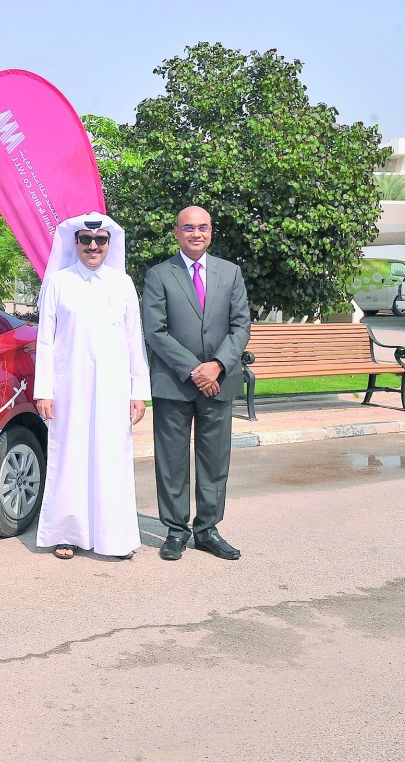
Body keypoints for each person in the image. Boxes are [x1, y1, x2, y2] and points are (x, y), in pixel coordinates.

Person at [33, 212, 150, 560]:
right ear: (76, 243)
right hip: (68, 388)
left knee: (111, 459)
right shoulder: (58, 283)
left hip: (114, 391)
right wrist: (44, 391)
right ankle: (67, 534)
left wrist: (138, 391)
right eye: (86, 240)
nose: (93, 246)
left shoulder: (123, 284)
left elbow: (134, 341)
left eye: (100, 240)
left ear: (109, 244)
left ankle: (115, 538)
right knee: (70, 458)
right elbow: (44, 342)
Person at [141, 205, 251, 561]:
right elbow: (155, 331)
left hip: (219, 382)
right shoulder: (159, 275)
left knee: (215, 460)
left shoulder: (230, 273)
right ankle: (175, 531)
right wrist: (194, 369)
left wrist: (217, 365)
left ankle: (207, 530)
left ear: (211, 231)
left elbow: (241, 327)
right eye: (188, 228)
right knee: (171, 461)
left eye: (202, 227)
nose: (196, 234)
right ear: (177, 232)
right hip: (174, 384)